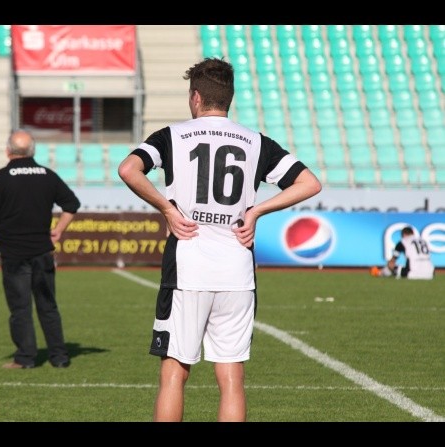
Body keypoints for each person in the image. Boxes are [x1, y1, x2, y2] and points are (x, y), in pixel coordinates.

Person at [118, 57, 322, 422]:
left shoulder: (172, 136)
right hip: (237, 271)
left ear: (196, 97)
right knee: (231, 378)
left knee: (174, 375)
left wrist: (167, 209)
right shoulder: (256, 141)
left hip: (188, 269)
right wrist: (256, 211)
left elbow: (128, 169)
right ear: (229, 98)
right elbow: (310, 183)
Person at [0, 129, 81, 369]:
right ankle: (59, 357)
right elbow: (71, 204)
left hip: (14, 255)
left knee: (20, 308)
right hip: (42, 252)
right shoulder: (47, 175)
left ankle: (25, 358)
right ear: (33, 151)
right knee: (48, 306)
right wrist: (58, 230)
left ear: (8, 151)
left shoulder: (2, 177)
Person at [370, 226, 434, 279]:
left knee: (391, 266)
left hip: (412, 273)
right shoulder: (423, 241)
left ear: (403, 234)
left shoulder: (403, 242)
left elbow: (392, 261)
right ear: (413, 233)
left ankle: (378, 273)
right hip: (430, 273)